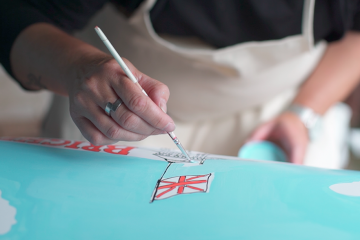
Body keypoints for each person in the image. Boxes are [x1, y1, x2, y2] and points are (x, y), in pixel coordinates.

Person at [1, 0, 360, 168]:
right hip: (112, 106)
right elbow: (14, 18)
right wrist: (78, 68)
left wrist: (302, 115)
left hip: (280, 111)